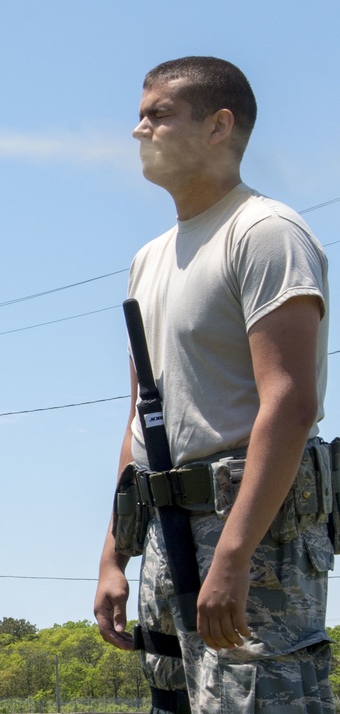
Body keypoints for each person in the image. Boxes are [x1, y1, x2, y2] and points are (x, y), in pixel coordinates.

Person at [93, 57, 333, 712]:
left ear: (219, 125)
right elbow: (141, 420)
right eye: (141, 115)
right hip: (165, 534)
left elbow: (290, 401)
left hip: (249, 536)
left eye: (158, 114)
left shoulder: (265, 233)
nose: (139, 129)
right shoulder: (148, 259)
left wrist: (234, 552)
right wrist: (115, 556)